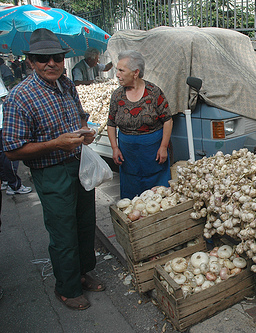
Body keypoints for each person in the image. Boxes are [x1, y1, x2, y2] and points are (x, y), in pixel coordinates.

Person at [2, 28, 105, 311]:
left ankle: (82, 273)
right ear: (31, 62)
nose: (51, 64)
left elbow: (81, 116)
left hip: (78, 165)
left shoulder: (67, 85)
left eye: (56, 58)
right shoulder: (19, 96)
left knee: (85, 225)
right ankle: (67, 287)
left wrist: (85, 130)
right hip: (51, 172)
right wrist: (54, 144)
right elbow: (11, 149)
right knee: (63, 231)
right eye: (43, 58)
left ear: (63, 59)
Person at [107, 50, 173, 199]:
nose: (117, 74)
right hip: (128, 154)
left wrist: (163, 147)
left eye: (121, 70)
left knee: (158, 194)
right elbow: (111, 123)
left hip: (153, 152)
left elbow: (168, 120)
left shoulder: (154, 92)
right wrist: (114, 148)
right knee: (132, 194)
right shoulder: (117, 96)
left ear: (135, 73)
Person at [0, 77, 31, 195]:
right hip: (3, 122)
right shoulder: (14, 98)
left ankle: (5, 180)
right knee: (11, 153)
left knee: (2, 154)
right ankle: (14, 185)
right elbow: (5, 97)